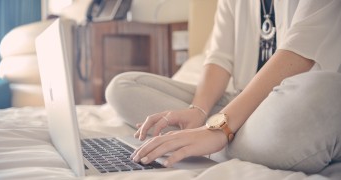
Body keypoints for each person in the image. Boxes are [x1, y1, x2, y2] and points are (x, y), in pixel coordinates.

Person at [105, 0, 341, 174]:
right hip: (239, 101)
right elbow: (219, 57)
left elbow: (299, 53)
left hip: (290, 104)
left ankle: (214, 138)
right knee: (123, 87)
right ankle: (213, 136)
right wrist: (198, 110)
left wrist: (220, 128)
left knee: (327, 91)